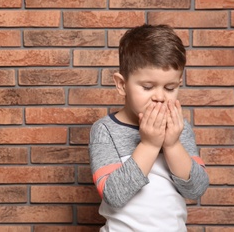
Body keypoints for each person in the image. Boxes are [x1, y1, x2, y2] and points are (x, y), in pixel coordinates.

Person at [89, 24, 209, 231]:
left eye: (170, 88)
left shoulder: (179, 128)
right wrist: (150, 145)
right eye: (147, 87)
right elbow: (114, 195)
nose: (160, 97)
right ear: (121, 84)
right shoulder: (105, 130)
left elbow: (196, 190)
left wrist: (172, 145)